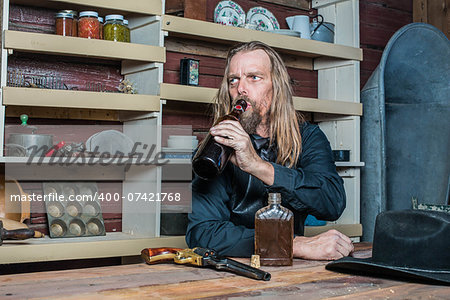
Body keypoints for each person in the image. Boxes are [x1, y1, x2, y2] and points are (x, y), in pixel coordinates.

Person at [186, 41, 354, 260]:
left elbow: (332, 203)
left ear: (277, 87)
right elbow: (202, 233)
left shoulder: (308, 137)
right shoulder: (216, 148)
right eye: (233, 80)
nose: (241, 89)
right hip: (232, 272)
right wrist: (290, 244)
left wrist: (258, 167)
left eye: (254, 77)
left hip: (290, 273)